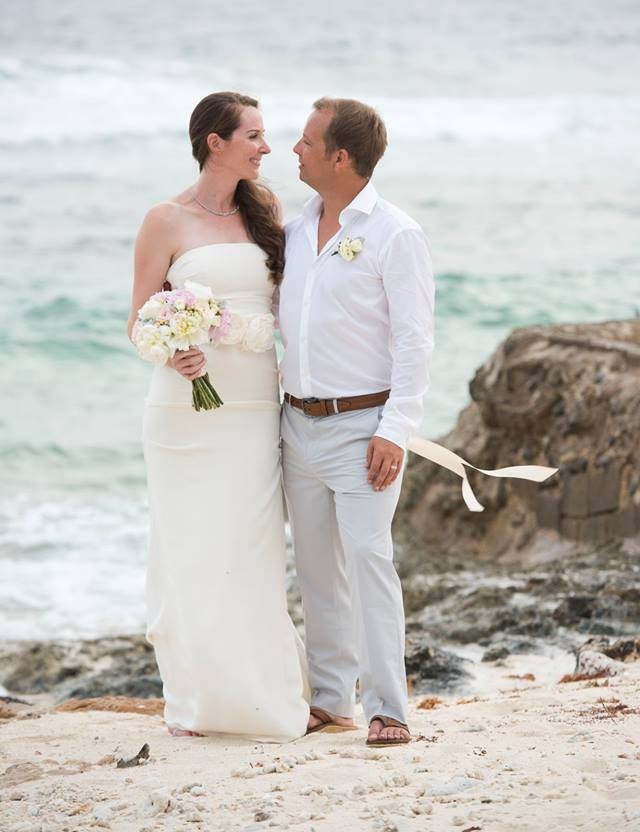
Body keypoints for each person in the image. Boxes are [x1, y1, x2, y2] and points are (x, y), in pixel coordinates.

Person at [128, 91, 309, 742]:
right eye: (254, 135)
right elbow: (138, 321)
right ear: (215, 142)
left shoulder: (267, 211)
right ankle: (197, 703)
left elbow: (290, 308)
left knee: (252, 548)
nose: (267, 147)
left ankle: (263, 701)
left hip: (253, 408)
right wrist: (171, 349)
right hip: (184, 412)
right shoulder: (165, 220)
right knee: (190, 550)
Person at [279, 97, 435, 746]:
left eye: (307, 141)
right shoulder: (294, 229)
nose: (294, 149)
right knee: (316, 570)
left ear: (340, 157)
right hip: (295, 425)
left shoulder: (395, 234)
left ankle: (389, 708)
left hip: (363, 428)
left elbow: (414, 342)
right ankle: (330, 700)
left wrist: (395, 429)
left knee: (369, 560)